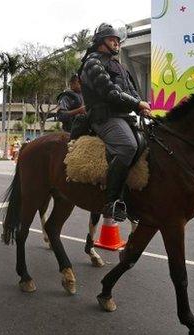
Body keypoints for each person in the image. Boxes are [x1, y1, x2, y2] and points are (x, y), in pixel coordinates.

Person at [79, 22, 152, 222]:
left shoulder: (120, 66)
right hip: (104, 118)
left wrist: (143, 108)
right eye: (112, 39)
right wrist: (137, 104)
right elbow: (110, 92)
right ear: (101, 42)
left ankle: (129, 193)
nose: (116, 43)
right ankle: (112, 202)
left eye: (118, 40)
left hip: (123, 117)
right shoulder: (92, 63)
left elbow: (132, 90)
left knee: (146, 143)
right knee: (128, 146)